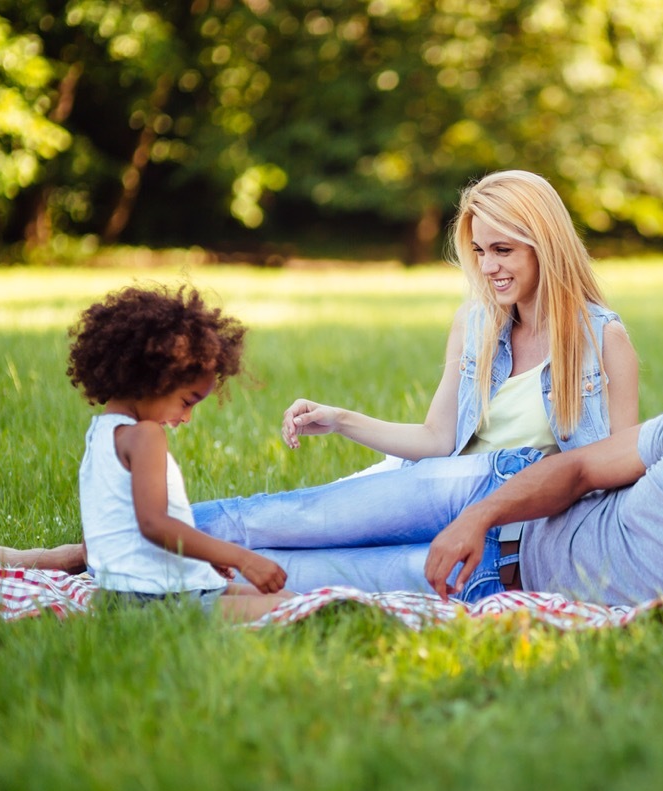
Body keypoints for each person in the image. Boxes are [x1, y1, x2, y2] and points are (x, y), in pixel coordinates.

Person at [189, 169, 639, 591]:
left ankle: (161, 581)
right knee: (287, 521)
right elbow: (437, 438)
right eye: (480, 252)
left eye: (503, 250)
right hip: (437, 489)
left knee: (308, 572)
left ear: (546, 246)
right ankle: (134, 534)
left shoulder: (604, 342)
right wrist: (341, 419)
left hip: (504, 536)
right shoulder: (476, 325)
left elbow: (617, 471)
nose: (487, 268)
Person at [204, 379, 663, 610]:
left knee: (291, 576)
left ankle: (141, 582)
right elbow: (580, 471)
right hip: (495, 490)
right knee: (289, 517)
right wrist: (480, 513)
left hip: (491, 581)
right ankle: (100, 548)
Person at [66, 285, 294, 621]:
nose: (186, 418)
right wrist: (241, 558)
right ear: (151, 378)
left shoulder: (99, 436)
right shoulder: (145, 436)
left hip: (133, 592)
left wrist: (198, 556)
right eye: (187, 402)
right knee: (293, 607)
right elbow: (154, 524)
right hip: (155, 598)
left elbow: (105, 534)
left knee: (289, 598)